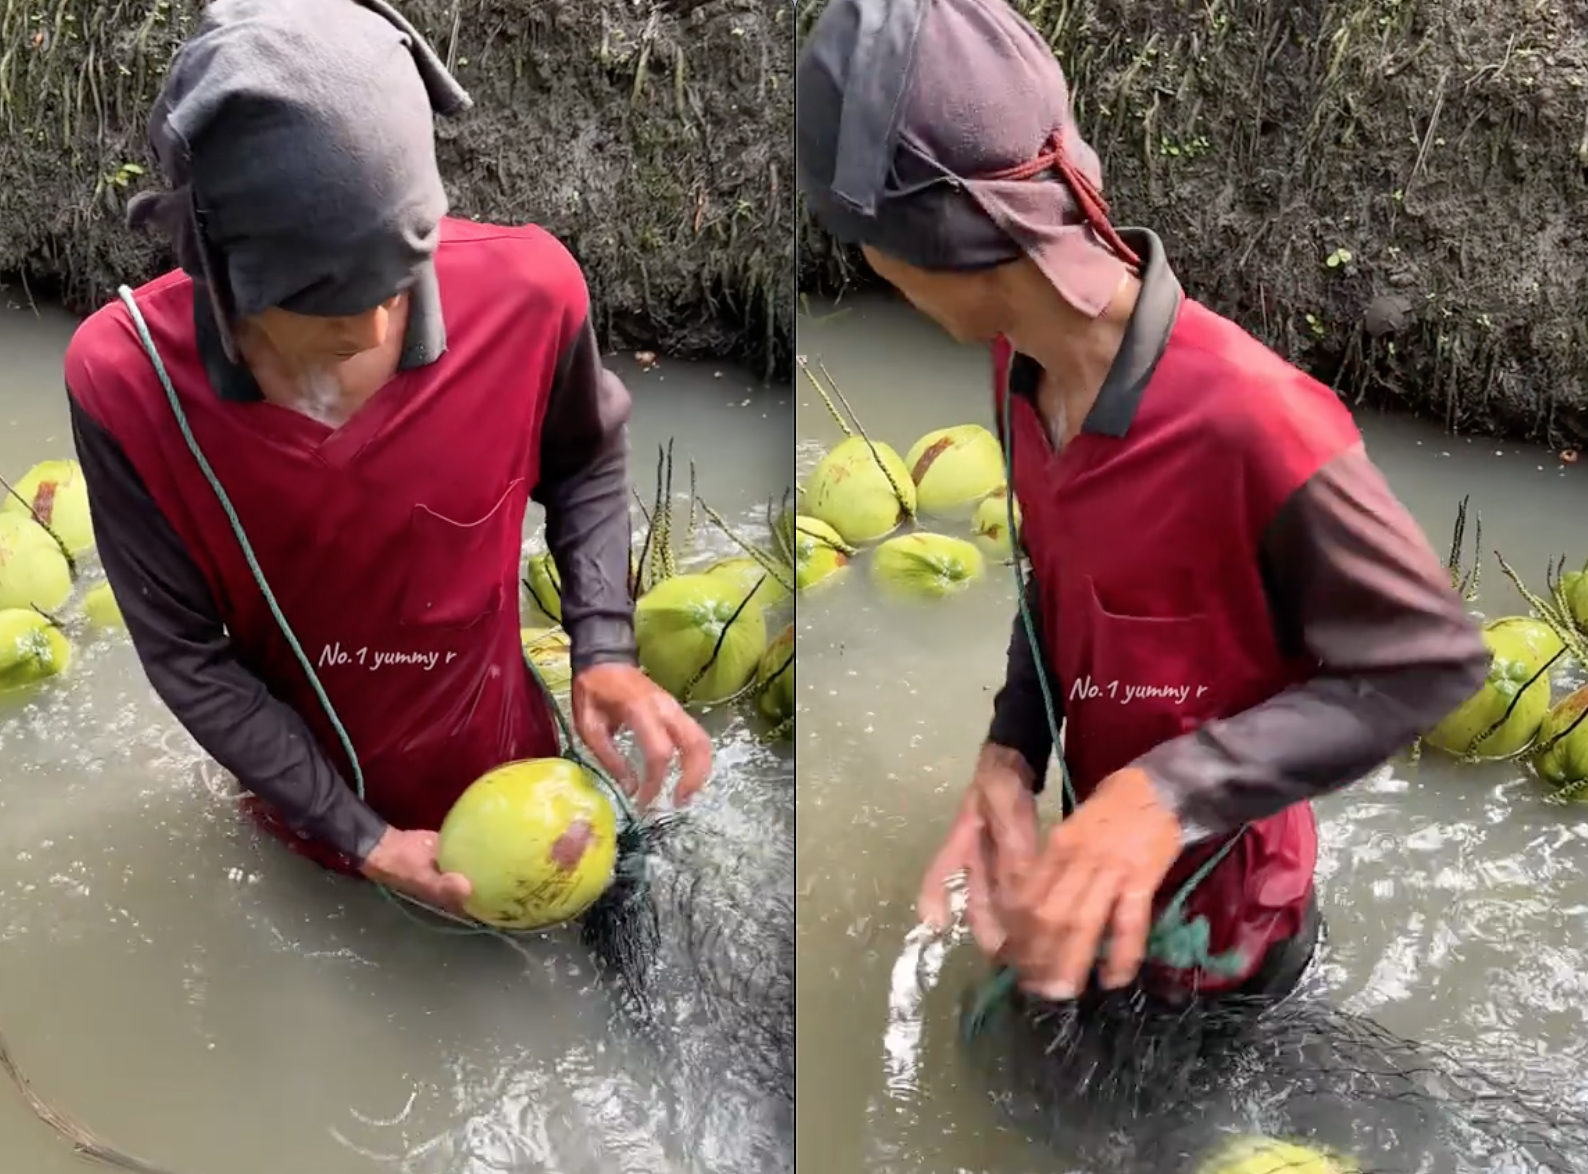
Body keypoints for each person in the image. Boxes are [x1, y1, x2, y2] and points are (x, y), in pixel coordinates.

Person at [796, 0, 1489, 1005]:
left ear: (924, 249)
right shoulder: (1016, 368)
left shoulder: (1255, 419)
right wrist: (1009, 753)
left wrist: (1163, 793)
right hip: (1084, 895)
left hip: (1231, 941)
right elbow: (1058, 578)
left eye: (857, 239)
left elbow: (1430, 665)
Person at [64, 0, 712, 914]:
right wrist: (360, 839)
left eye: (399, 280)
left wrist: (603, 644)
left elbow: (586, 463)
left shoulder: (527, 296)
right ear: (222, 263)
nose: (374, 327)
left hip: (528, 792)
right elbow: (187, 659)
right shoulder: (129, 385)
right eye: (330, 301)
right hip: (316, 836)